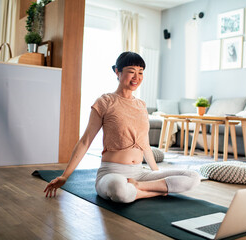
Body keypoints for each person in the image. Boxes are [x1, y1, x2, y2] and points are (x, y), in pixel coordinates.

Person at [44, 51, 200, 203]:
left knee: (193, 177)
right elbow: (85, 141)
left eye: (140, 72)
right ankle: (154, 191)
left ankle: (139, 188)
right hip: (112, 173)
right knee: (119, 190)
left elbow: (145, 144)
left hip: (139, 174)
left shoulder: (141, 105)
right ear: (117, 72)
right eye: (131, 72)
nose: (136, 77)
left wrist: (156, 173)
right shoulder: (105, 101)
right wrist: (65, 176)